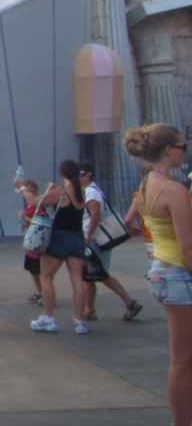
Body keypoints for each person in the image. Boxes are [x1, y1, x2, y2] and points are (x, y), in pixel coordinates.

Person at [126, 123, 192, 426]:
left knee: (182, 359)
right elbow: (188, 248)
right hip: (179, 274)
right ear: (169, 150)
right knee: (182, 361)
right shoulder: (174, 190)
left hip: (162, 271)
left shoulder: (146, 187)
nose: (184, 153)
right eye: (183, 147)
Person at [30, 160, 89, 334]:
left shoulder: (60, 192)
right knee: (77, 279)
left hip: (60, 237)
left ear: (62, 174)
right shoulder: (82, 192)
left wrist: (23, 188)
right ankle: (79, 321)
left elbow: (35, 202)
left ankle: (49, 318)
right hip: (78, 237)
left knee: (46, 276)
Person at [78, 161, 142, 322]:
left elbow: (95, 215)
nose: (78, 178)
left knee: (95, 274)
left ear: (88, 175)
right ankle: (90, 309)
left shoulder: (91, 193)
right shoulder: (92, 190)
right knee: (93, 274)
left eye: (80, 174)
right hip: (94, 237)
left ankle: (127, 302)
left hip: (94, 238)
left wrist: (87, 236)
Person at [18, 180, 43, 304]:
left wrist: (25, 217)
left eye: (34, 191)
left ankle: (45, 294)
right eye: (29, 191)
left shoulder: (39, 205)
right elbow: (31, 222)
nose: (32, 194)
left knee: (40, 269)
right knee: (32, 269)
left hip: (38, 242)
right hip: (31, 240)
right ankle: (39, 291)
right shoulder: (29, 205)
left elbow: (40, 223)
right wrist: (25, 224)